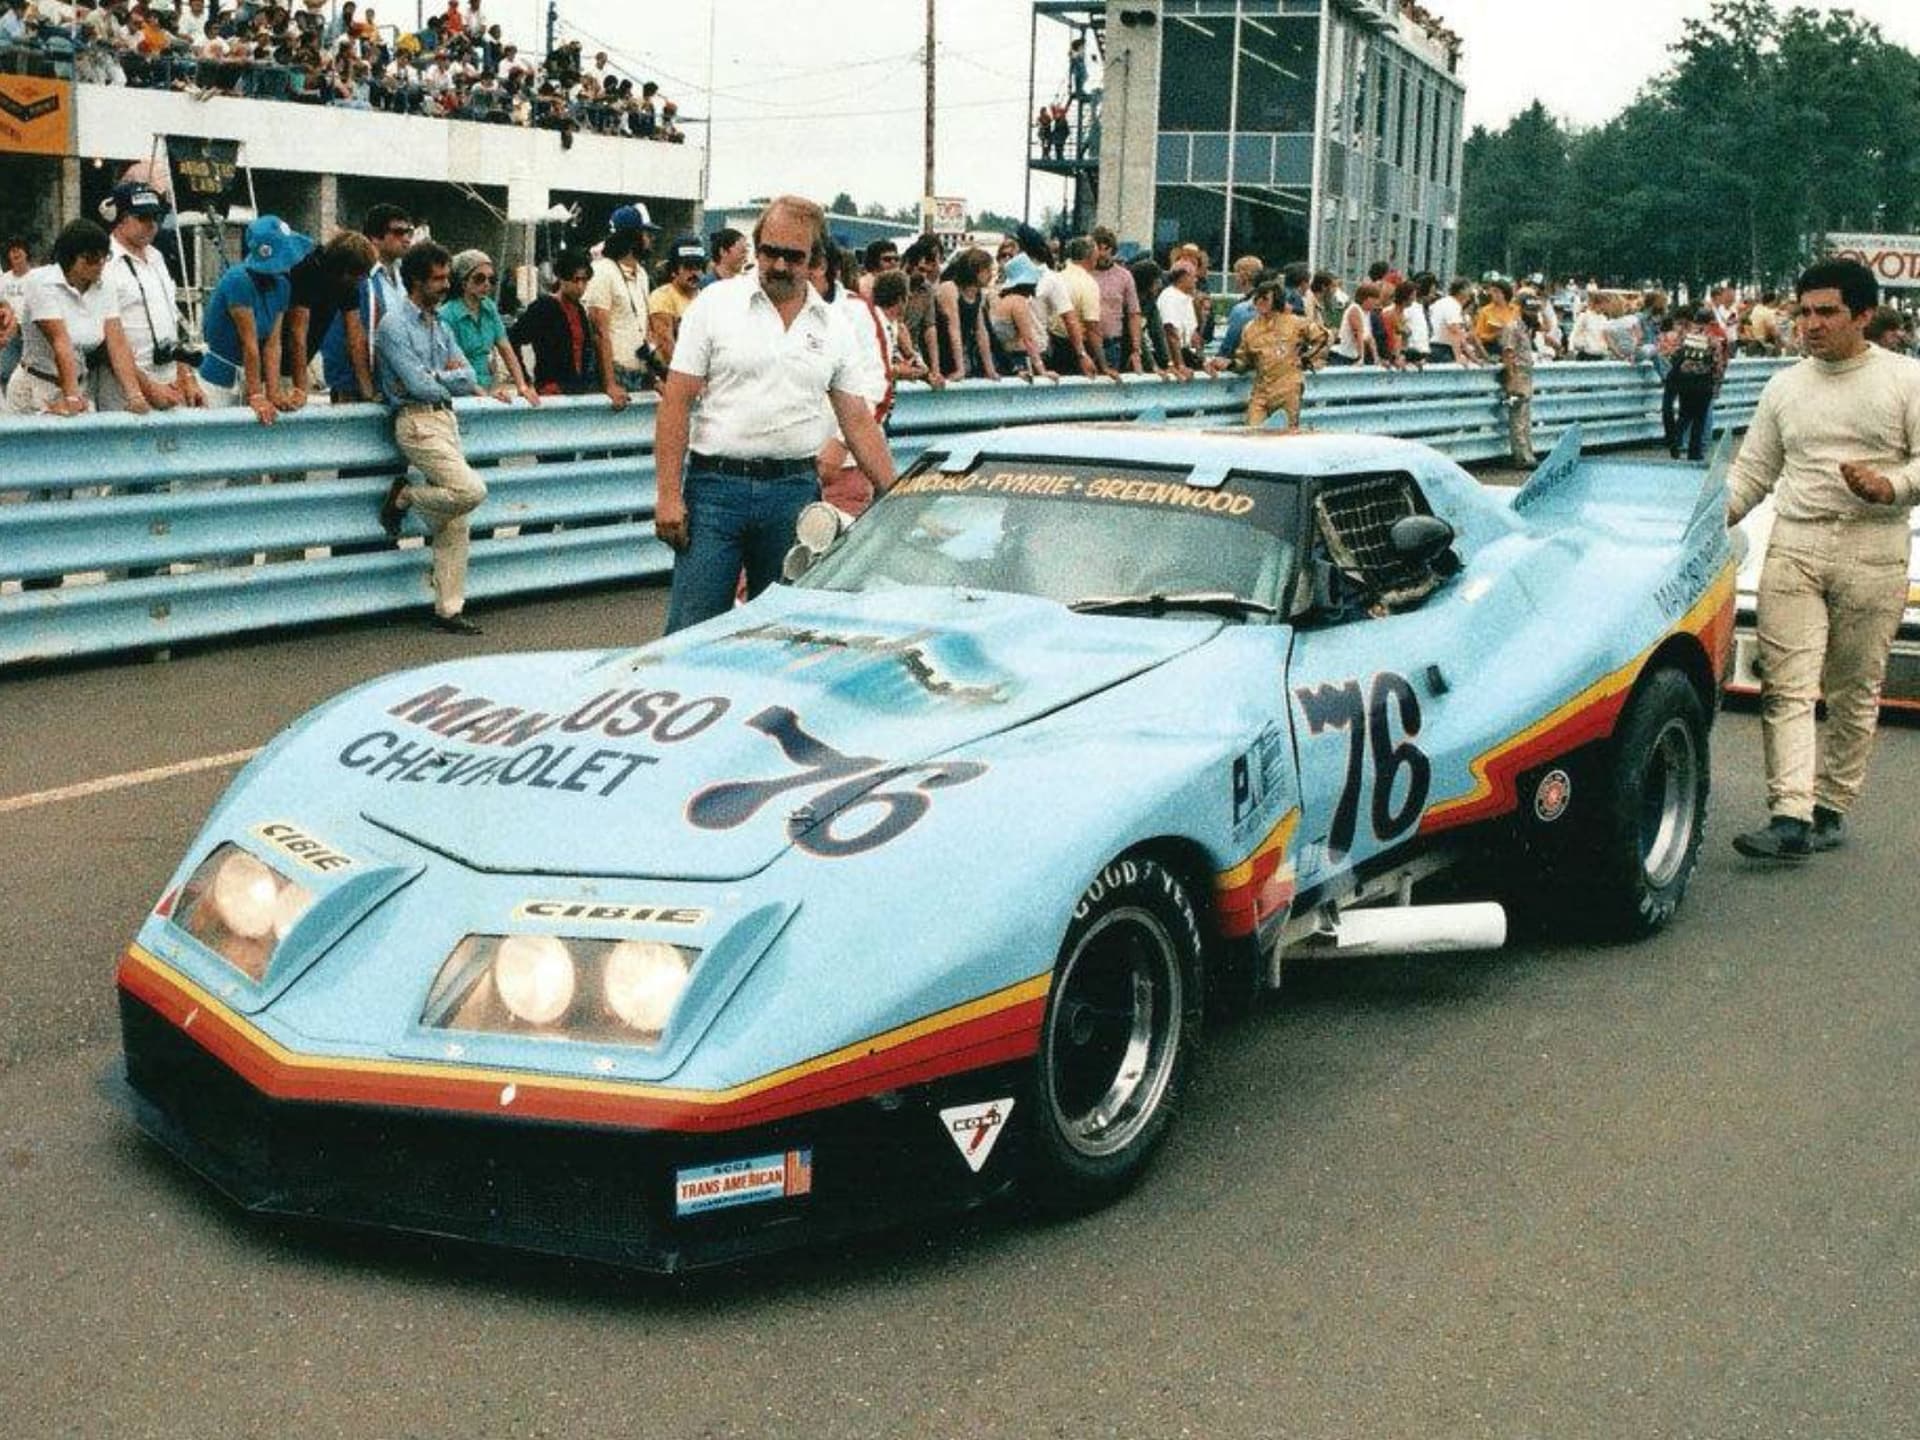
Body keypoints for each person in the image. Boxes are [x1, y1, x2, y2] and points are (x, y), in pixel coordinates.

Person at [1726, 258, 1920, 861]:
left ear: (1863, 316)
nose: (1811, 325)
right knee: (1786, 686)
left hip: (1874, 546)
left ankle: (1831, 805)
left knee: (1854, 689)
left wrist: (1891, 487)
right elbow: (1752, 474)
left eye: (1827, 312)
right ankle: (1790, 814)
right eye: (1804, 312)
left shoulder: (1906, 380)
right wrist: (1705, 519)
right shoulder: (1784, 387)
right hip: (1797, 542)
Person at [652, 194, 897, 633]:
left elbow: (857, 420)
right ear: (757, 247)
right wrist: (668, 494)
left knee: (783, 635)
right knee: (692, 631)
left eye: (793, 256)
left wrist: (892, 495)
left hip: (793, 493)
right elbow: (676, 402)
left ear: (816, 259)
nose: (779, 265)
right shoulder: (714, 304)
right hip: (715, 492)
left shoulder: (835, 326)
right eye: (770, 252)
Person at [374, 239, 489, 635]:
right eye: (438, 279)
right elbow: (416, 386)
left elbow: (468, 375)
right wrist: (444, 377)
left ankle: (449, 608)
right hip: (416, 423)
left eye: (445, 278)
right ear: (416, 281)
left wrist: (437, 376)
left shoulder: (439, 324)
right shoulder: (393, 326)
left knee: (457, 521)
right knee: (470, 490)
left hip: (445, 419)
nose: (445, 285)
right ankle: (406, 496)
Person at [6, 218, 144, 420]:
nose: (99, 264)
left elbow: (117, 342)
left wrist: (135, 396)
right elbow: (61, 342)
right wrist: (71, 397)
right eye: (90, 258)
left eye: (104, 257)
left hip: (80, 385)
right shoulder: (40, 281)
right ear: (69, 257)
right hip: (36, 388)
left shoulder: (106, 285)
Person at [97, 181, 205, 414]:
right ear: (121, 219)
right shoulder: (105, 265)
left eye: (156, 218)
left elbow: (170, 323)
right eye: (143, 218)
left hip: (168, 382)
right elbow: (105, 342)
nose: (152, 225)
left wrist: (186, 375)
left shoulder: (156, 257)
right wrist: (147, 389)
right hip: (125, 391)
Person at [198, 215, 310, 423]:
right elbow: (249, 344)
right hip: (217, 382)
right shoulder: (238, 280)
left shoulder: (283, 285)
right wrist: (257, 394)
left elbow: (273, 344)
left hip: (247, 376)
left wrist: (274, 392)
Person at [282, 229, 377, 405]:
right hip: (271, 362)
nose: (360, 281)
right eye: (358, 276)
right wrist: (300, 390)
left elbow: (355, 335)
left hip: (299, 358)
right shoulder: (306, 270)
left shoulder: (349, 282)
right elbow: (297, 335)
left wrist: (368, 391)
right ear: (344, 270)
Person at [585, 201, 658, 407]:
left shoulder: (642, 274)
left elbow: (643, 329)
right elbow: (599, 333)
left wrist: (654, 378)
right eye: (646, 234)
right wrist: (610, 384)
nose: (651, 239)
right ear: (632, 237)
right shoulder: (602, 272)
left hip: (640, 372)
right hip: (615, 373)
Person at [442, 247, 536, 401]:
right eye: (479, 279)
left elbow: (506, 349)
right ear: (463, 282)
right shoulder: (447, 315)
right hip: (461, 391)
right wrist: (485, 396)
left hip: (488, 386)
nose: (486, 284)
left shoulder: (489, 307)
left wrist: (522, 386)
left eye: (491, 279)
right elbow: (453, 366)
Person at [1231, 280, 1326, 430]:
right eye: (1258, 298)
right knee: (1252, 433)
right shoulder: (1249, 328)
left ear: (1276, 301)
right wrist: (1229, 364)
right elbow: (1243, 362)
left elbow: (1323, 337)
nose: (1260, 302)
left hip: (1288, 387)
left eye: (1265, 298)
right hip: (1261, 391)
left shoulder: (1294, 322)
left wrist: (1306, 358)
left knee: (1286, 434)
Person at [507, 247, 600, 395]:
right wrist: (524, 380)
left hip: (578, 389)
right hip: (550, 388)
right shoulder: (543, 307)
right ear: (562, 278)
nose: (580, 286)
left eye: (584, 280)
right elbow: (512, 340)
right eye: (575, 280)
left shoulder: (580, 310)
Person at [932, 245, 998, 382]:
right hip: (941, 348)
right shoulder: (950, 288)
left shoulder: (977, 293)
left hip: (958, 350)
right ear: (974, 270)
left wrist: (990, 369)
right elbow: (953, 328)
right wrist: (960, 369)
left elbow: (981, 332)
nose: (991, 275)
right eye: (987, 270)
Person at [988, 252, 1053, 378]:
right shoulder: (1018, 302)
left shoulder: (1003, 300)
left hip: (1002, 360)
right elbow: (1028, 339)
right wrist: (1042, 369)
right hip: (1017, 359)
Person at [647, 236, 707, 370]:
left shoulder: (705, 297)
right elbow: (665, 343)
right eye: (688, 267)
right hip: (675, 372)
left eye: (699, 267)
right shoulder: (662, 296)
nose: (695, 273)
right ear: (674, 270)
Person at [1089, 225, 1142, 373]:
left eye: (1106, 249)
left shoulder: (1125, 276)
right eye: (1098, 249)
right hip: (1087, 342)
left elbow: (1134, 313)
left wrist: (1136, 349)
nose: (1102, 254)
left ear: (1113, 250)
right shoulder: (1084, 274)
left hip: (1112, 344)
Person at [1499, 296, 1540, 466]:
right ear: (1522, 309)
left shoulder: (1526, 329)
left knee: (1525, 417)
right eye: (1530, 310)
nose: (1533, 313)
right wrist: (1511, 377)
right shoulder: (1513, 327)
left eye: (1535, 310)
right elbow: (1508, 353)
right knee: (1518, 417)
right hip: (1517, 373)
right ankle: (1522, 457)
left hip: (1526, 373)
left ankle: (1527, 454)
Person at [1, 237, 35, 389]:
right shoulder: (3, 279)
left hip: (32, 332)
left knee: (31, 374)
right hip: (10, 334)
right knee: (6, 372)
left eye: (19, 249)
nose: (15, 253)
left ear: (26, 253)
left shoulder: (37, 277)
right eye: (12, 250)